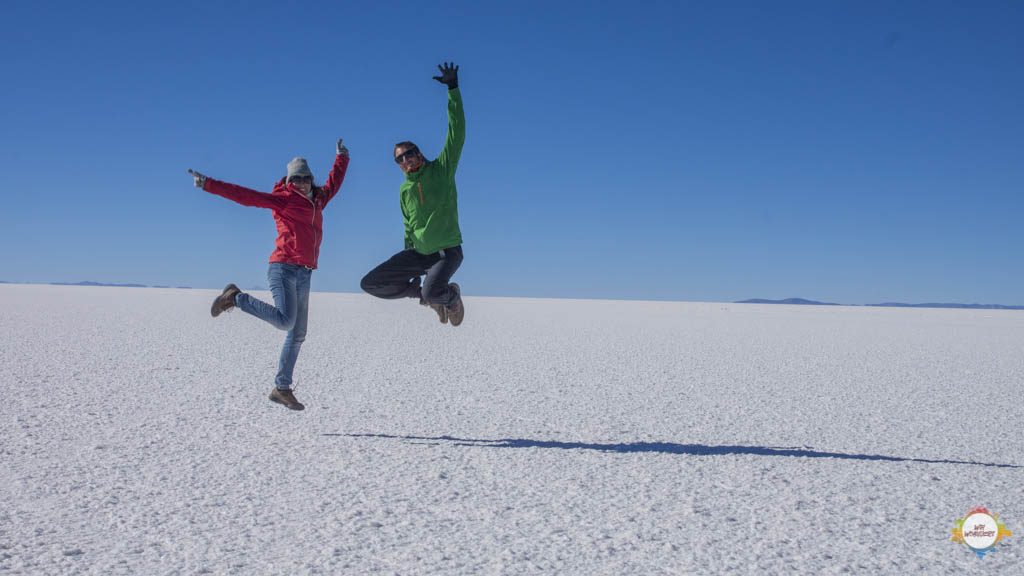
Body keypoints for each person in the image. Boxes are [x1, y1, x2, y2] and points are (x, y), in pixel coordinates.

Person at [187, 140, 349, 410]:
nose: (301, 182)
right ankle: (236, 297)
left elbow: (335, 181)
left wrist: (342, 157)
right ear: (289, 180)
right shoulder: (282, 200)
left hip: (305, 273)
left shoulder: (318, 200)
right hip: (283, 268)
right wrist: (209, 184)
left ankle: (281, 388)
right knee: (286, 322)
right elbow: (245, 196)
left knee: (298, 334)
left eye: (305, 177)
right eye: (296, 178)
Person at [360, 62, 467, 326]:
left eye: (409, 153)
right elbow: (408, 222)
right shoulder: (404, 189)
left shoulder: (441, 169)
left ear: (419, 153)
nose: (406, 159)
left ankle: (449, 298)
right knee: (370, 283)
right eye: (400, 158)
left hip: (446, 252)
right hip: (419, 253)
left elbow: (457, 134)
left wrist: (453, 89)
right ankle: (425, 296)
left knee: (435, 291)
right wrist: (409, 250)